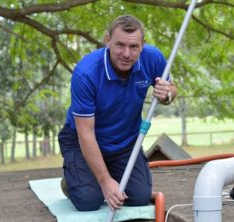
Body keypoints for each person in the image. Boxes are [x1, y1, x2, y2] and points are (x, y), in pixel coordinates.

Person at [58, 14, 177, 212]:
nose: (127, 54)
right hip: (83, 140)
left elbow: (172, 88)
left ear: (142, 45)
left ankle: (104, 173)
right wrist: (105, 181)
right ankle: (72, 181)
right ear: (107, 40)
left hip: (125, 141)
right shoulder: (86, 73)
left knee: (139, 197)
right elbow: (85, 133)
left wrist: (167, 95)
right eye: (120, 45)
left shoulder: (152, 57)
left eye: (134, 47)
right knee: (89, 200)